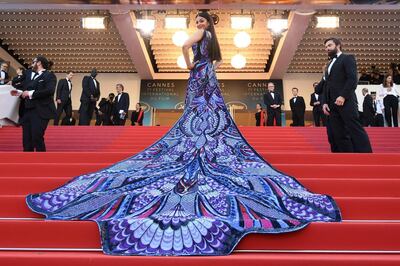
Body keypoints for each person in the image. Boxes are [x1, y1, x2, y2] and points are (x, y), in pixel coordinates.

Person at [26, 12, 341, 256]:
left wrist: (191, 63)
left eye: (202, 20)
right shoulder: (213, 43)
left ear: (206, 24)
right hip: (208, 75)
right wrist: (198, 63)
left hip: (200, 74)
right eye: (198, 20)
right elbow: (204, 55)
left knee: (195, 115)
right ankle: (207, 148)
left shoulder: (202, 35)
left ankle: (195, 147)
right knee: (209, 117)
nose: (199, 23)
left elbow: (182, 45)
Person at [315, 37, 372, 153]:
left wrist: (343, 96)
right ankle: (346, 156)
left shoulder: (347, 58)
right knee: (338, 132)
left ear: (338, 45)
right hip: (332, 104)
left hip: (346, 101)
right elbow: (327, 86)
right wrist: (325, 102)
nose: (327, 48)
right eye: (325, 47)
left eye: (329, 45)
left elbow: (352, 80)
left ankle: (366, 155)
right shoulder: (329, 64)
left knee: (354, 128)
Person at [11, 55, 56, 152]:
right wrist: (18, 92)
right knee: (26, 140)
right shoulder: (28, 74)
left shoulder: (49, 75)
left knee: (37, 137)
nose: (31, 64)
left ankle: (41, 162)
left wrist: (30, 93)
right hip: (27, 110)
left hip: (41, 111)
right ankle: (27, 163)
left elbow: (50, 91)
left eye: (33, 62)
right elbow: (17, 83)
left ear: (39, 63)